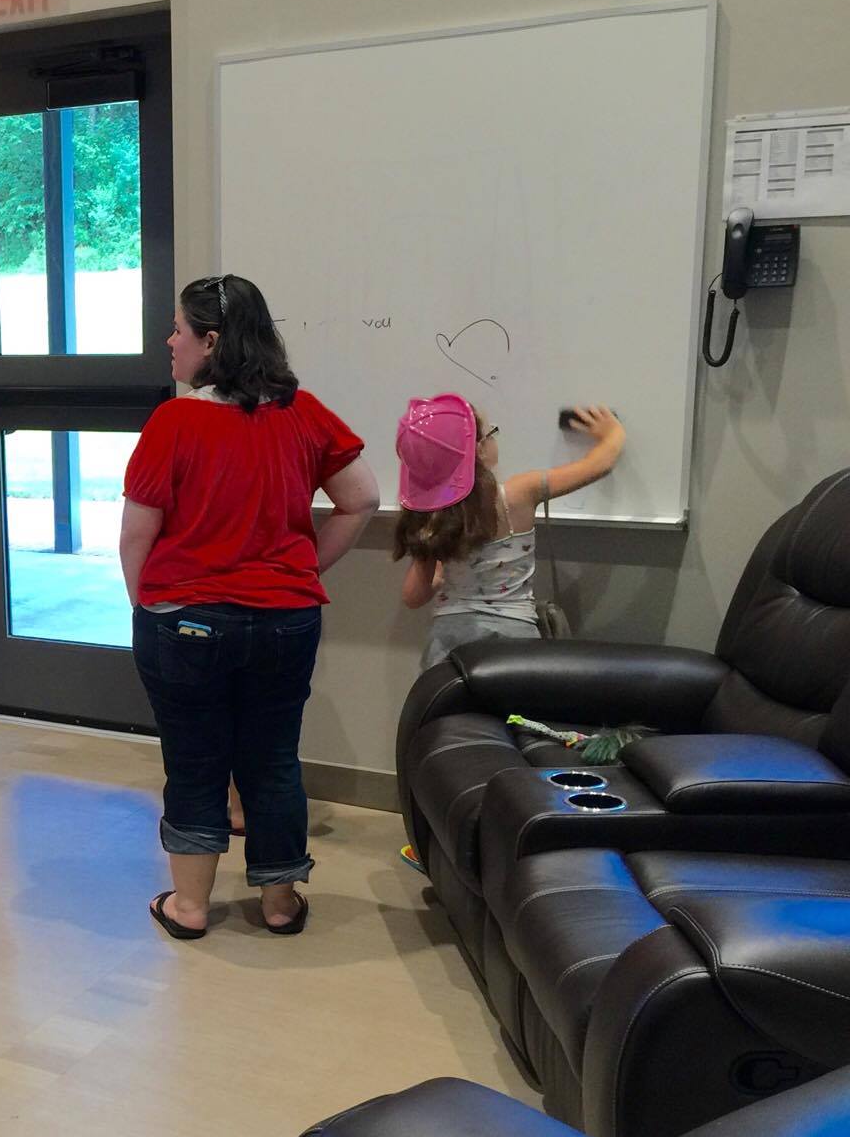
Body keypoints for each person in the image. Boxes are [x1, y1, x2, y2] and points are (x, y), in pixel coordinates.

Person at [121, 275, 382, 940]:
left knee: (194, 760)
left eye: (178, 329)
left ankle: (189, 909)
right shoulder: (305, 412)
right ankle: (278, 904)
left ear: (210, 341)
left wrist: (146, 606)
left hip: (185, 620)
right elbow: (363, 500)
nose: (169, 341)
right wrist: (301, 570)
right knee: (273, 761)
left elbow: (136, 534)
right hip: (285, 621)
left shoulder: (174, 420)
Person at [392, 396, 625, 670]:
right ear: (478, 449)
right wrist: (614, 433)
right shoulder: (518, 494)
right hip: (514, 642)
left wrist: (441, 574)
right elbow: (600, 464)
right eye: (492, 433)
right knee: (515, 713)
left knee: (452, 711)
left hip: (448, 645)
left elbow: (413, 596)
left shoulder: (430, 515)